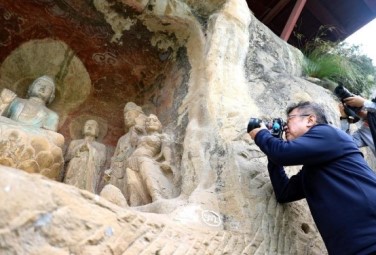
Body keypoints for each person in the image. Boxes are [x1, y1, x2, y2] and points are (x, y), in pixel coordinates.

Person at [248, 101, 376, 255]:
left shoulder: (329, 134)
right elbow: (284, 193)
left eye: (289, 120)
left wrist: (261, 133)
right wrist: (273, 151)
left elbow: (281, 154)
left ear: (310, 120)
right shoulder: (314, 168)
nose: (285, 127)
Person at [125, 114, 175, 206]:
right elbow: (133, 143)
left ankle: (156, 196)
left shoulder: (162, 136)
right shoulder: (141, 137)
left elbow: (166, 148)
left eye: (154, 120)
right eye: (148, 121)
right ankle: (135, 203)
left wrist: (167, 160)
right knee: (132, 182)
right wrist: (134, 131)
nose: (150, 122)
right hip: (132, 160)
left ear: (159, 124)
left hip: (145, 158)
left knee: (148, 176)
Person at [105, 102, 146, 197]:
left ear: (138, 115)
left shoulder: (142, 131)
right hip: (119, 168)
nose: (126, 118)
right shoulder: (122, 139)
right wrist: (111, 169)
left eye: (129, 115)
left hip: (133, 164)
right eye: (125, 116)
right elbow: (115, 156)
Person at [64, 119, 106, 193]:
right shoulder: (74, 143)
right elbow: (67, 158)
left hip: (90, 174)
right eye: (87, 125)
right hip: (73, 171)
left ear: (97, 131)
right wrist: (79, 148)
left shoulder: (101, 147)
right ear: (83, 129)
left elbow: (102, 161)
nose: (89, 127)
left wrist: (91, 149)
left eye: (92, 125)